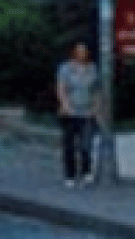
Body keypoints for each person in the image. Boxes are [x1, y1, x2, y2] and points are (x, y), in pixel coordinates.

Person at [55, 41, 102, 188]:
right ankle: (70, 175)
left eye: (84, 51)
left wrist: (96, 108)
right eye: (79, 51)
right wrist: (66, 106)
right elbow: (62, 89)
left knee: (85, 145)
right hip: (70, 112)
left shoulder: (92, 69)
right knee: (69, 145)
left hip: (87, 112)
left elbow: (97, 90)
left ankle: (86, 172)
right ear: (74, 53)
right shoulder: (66, 68)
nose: (82, 54)